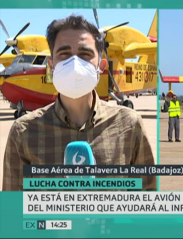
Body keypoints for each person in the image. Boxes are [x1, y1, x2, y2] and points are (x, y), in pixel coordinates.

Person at [2, 14, 157, 191]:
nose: (74, 63)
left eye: (85, 54)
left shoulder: (130, 124)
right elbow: (13, 212)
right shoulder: (22, 132)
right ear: (51, 66)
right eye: (64, 54)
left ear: (101, 65)